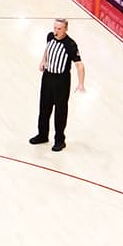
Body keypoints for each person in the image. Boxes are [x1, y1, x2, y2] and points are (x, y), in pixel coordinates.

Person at [29, 16, 85, 150]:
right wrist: (43, 60)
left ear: (65, 29)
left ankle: (60, 140)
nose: (56, 31)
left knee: (60, 111)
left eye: (59, 29)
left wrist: (81, 83)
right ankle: (42, 135)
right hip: (47, 77)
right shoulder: (50, 37)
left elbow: (79, 65)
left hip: (62, 80)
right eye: (54, 28)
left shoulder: (70, 45)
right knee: (44, 108)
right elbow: (47, 49)